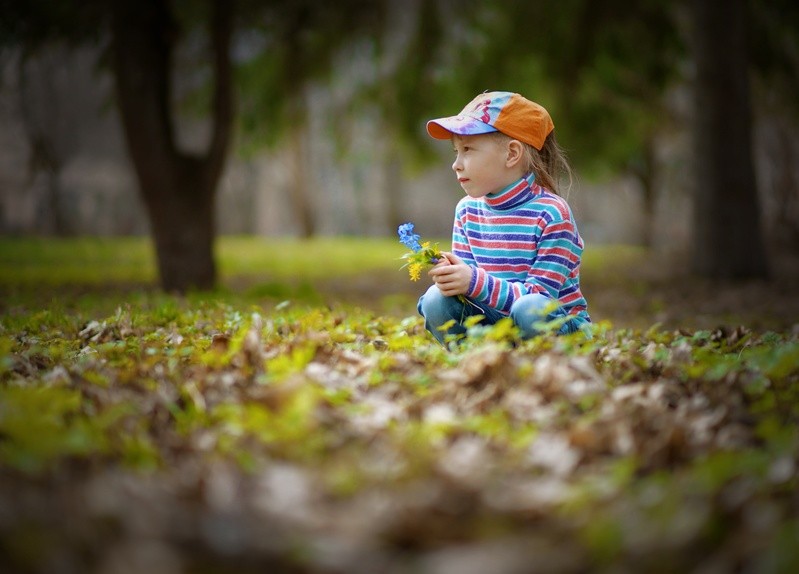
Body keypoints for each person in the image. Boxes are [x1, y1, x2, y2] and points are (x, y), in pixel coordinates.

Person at [417, 90, 591, 347]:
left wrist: (474, 280)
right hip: (496, 328)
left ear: (511, 154)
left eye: (467, 149)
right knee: (435, 299)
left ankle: (548, 368)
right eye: (456, 151)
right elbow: (468, 293)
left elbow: (540, 299)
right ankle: (481, 366)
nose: (456, 163)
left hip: (557, 328)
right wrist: (454, 278)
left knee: (530, 308)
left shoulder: (553, 214)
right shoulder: (467, 210)